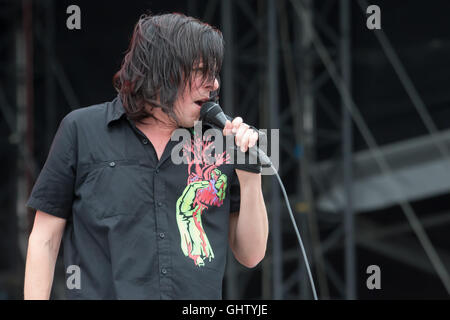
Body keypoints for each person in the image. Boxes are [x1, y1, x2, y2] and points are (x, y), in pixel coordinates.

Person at [24, 12, 268, 300]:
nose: (213, 84)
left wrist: (251, 178)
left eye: (215, 73)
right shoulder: (81, 130)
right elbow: (45, 239)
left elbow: (251, 256)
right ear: (161, 71)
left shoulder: (221, 143)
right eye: (202, 70)